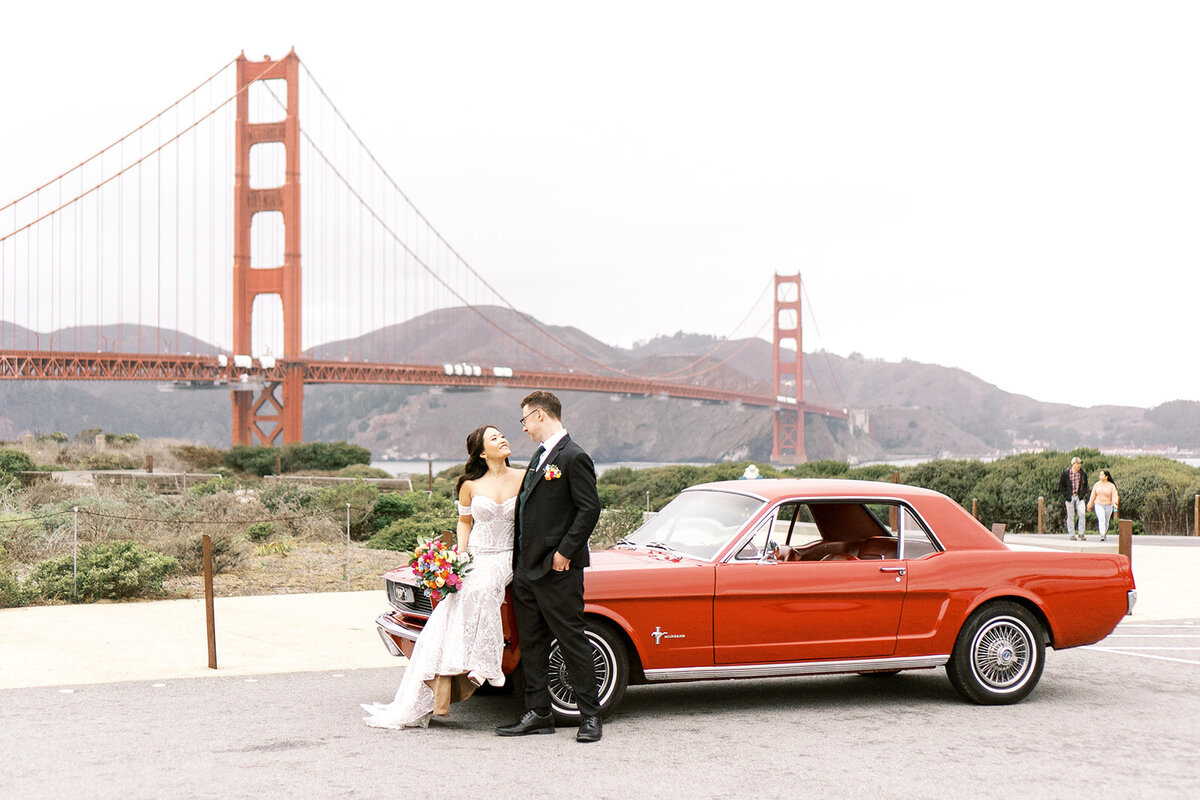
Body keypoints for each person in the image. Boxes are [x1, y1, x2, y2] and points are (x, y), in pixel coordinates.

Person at [362, 425, 523, 729]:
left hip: (506, 555)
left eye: (502, 435)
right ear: (481, 452)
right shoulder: (470, 484)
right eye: (494, 438)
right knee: (454, 603)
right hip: (478, 552)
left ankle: (482, 665)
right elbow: (464, 522)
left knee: (484, 589)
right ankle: (441, 682)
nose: (502, 439)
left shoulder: (523, 477)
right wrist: (460, 554)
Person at [496, 390, 603, 743]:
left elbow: (589, 509)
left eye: (524, 419)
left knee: (572, 640)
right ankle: (539, 712)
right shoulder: (539, 457)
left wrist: (565, 553)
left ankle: (591, 716)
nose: (523, 428)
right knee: (532, 642)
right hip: (526, 569)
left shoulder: (574, 457)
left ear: (540, 415)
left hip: (558, 569)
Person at [1058, 456, 1090, 542]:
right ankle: (1072, 534)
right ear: (1073, 464)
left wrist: (1083, 493)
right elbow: (1061, 485)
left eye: (1080, 463)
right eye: (1077, 463)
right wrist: (1066, 495)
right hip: (1070, 497)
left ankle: (1081, 533)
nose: (1079, 465)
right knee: (1070, 516)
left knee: (1082, 514)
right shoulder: (1065, 473)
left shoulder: (1083, 474)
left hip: (1079, 497)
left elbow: (1086, 485)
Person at [1087, 469, 1120, 542]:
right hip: (1099, 504)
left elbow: (1114, 495)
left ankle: (1104, 532)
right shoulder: (1097, 485)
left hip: (1108, 505)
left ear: (1106, 476)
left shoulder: (1111, 485)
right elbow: (1093, 495)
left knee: (1106, 520)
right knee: (1101, 518)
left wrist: (1115, 503)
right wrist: (1090, 505)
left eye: (1102, 475)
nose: (1100, 476)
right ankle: (1102, 533)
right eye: (1100, 475)